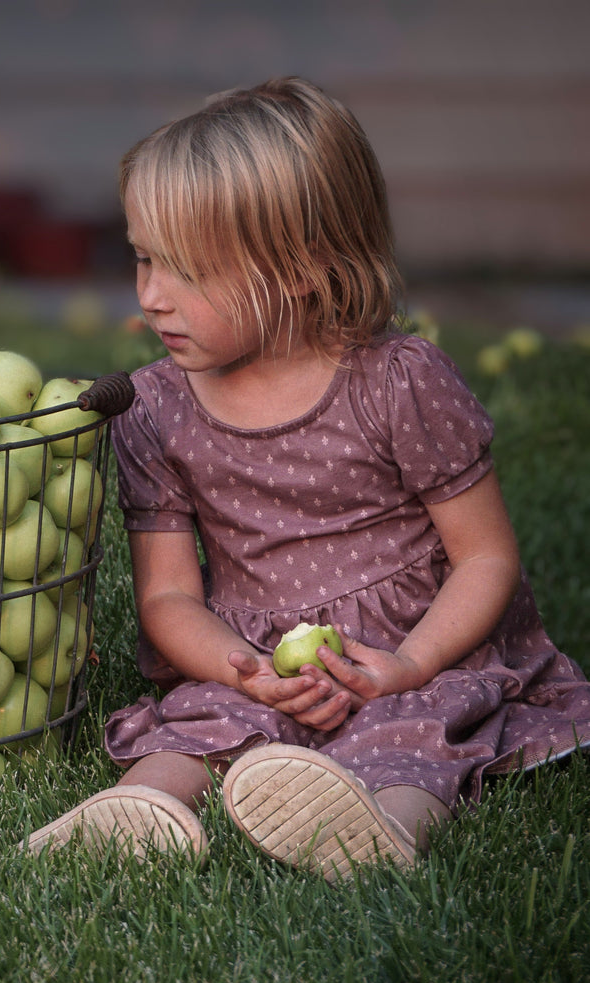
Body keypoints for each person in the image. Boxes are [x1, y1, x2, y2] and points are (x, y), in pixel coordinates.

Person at [29, 77, 590, 881]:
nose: (151, 297)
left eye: (187, 270)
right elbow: (167, 599)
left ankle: (384, 832)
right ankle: (140, 809)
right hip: (255, 653)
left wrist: (409, 663)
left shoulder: (396, 380)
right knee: (201, 719)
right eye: (143, 257)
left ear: (299, 268)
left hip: (408, 646)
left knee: (412, 729)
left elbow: (485, 560)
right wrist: (244, 670)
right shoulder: (152, 407)